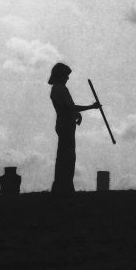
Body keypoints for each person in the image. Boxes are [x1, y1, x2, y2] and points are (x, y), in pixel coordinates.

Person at [48, 63, 101, 196]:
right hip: (65, 125)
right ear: (61, 76)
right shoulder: (61, 89)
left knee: (64, 156)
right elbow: (70, 108)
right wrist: (91, 107)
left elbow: (66, 109)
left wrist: (75, 114)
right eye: (66, 75)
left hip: (63, 123)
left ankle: (61, 186)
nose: (68, 78)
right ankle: (64, 188)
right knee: (67, 157)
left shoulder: (56, 89)